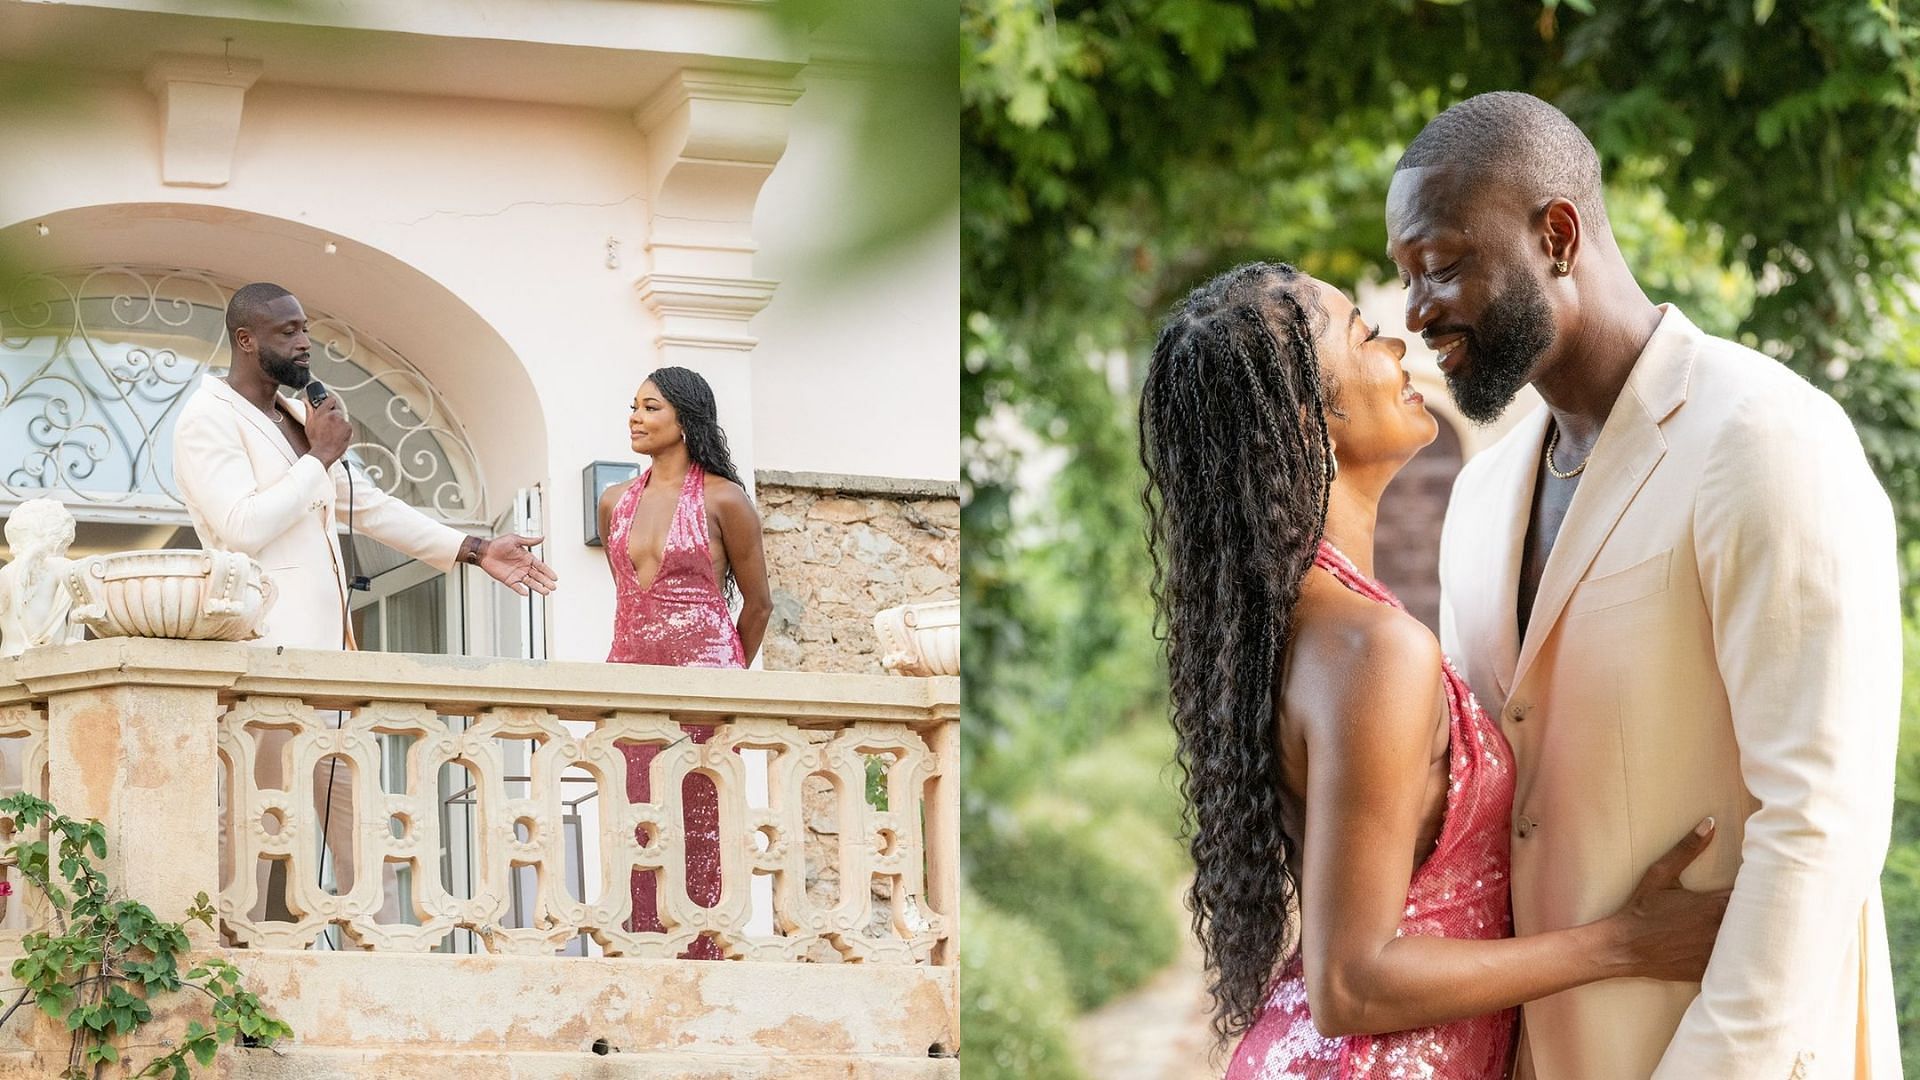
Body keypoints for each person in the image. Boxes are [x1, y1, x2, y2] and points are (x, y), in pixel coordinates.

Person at [1393, 93, 1901, 1078]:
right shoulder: (1483, 491)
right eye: (1405, 280)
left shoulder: (1763, 439)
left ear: (1557, 234)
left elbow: (1821, 825)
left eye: (1442, 265)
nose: (1417, 313)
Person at [1138, 261, 1727, 1079]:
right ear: (1310, 416)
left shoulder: (1307, 624)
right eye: (1364, 334)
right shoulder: (1371, 649)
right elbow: (1351, 982)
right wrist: (1623, 943)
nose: (1401, 342)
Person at [172, 281, 557, 922]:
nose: (304, 342)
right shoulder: (207, 418)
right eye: (287, 331)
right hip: (262, 664)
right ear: (245, 340)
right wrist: (318, 456)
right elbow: (241, 525)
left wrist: (472, 547)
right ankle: (234, 984)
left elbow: (369, 506)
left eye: (304, 328)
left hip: (331, 679)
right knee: (256, 837)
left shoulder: (295, 418)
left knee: (362, 839)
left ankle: (375, 975)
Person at [597, 367, 771, 959]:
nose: (635, 417)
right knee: (634, 827)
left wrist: (726, 681)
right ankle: (639, 958)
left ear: (685, 419)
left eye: (650, 408)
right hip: (630, 679)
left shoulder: (724, 499)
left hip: (707, 681)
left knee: (701, 831)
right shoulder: (614, 501)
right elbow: (626, 597)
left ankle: (705, 964)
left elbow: (759, 603)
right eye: (634, 406)